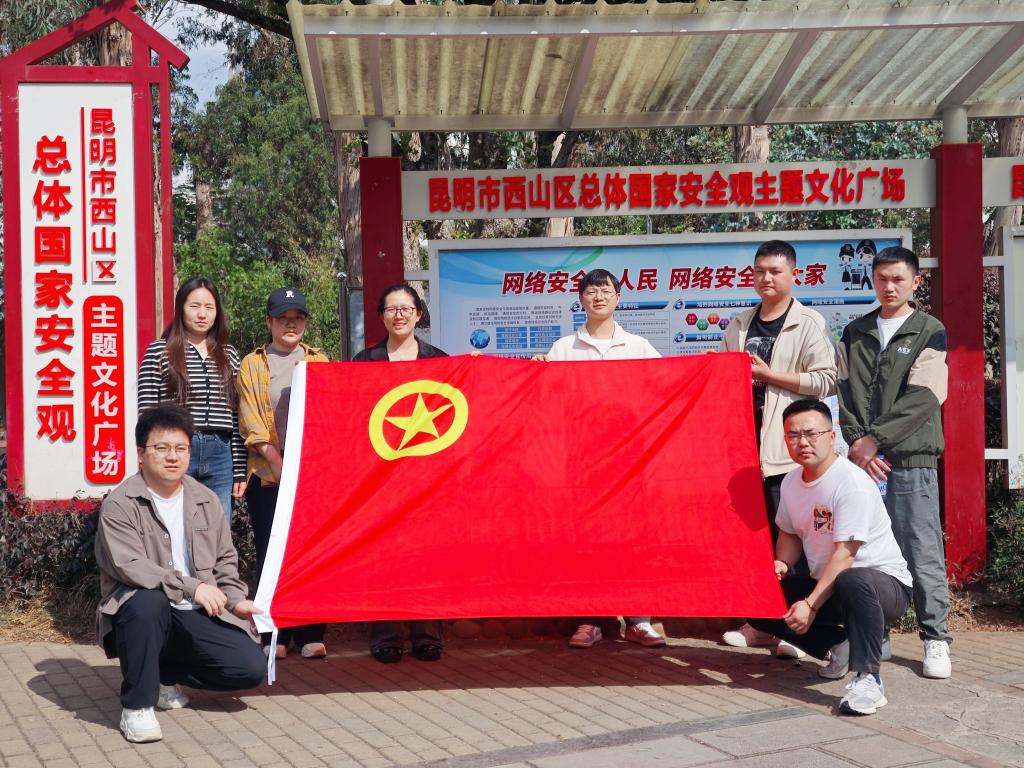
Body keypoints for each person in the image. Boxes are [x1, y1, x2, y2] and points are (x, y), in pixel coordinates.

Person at [95, 405, 265, 744]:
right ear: (141, 454)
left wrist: (235, 601)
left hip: (192, 612)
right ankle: (137, 706)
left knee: (249, 668)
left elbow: (224, 560)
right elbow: (131, 566)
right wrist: (192, 587)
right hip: (139, 614)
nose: (172, 456)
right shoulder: (121, 504)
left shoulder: (205, 500)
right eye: (161, 448)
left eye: (181, 448)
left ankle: (162, 674)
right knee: (148, 602)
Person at [746, 399, 912, 716]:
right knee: (757, 596)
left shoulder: (851, 484)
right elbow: (789, 534)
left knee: (853, 578)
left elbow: (845, 557)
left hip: (883, 587)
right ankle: (837, 646)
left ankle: (869, 679)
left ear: (832, 437)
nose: (803, 442)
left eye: (811, 433)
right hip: (830, 584)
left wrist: (810, 605)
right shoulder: (791, 481)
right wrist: (782, 563)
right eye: (793, 435)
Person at [535, 268, 666, 649]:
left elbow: (668, 384)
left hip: (631, 460)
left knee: (633, 538)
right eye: (591, 291)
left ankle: (638, 620)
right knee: (586, 538)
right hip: (582, 460)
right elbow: (547, 401)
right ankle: (590, 618)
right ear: (581, 300)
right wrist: (537, 372)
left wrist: (711, 369)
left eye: (605, 290)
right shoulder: (564, 349)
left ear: (618, 298)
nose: (598, 297)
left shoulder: (638, 346)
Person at [719, 240, 838, 658]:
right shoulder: (739, 324)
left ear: (794, 275)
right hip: (743, 453)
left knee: (795, 544)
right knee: (758, 545)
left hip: (787, 453)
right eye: (760, 271)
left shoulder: (808, 323)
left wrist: (772, 377)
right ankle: (762, 624)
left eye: (775, 271)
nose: (766, 278)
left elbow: (826, 380)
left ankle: (797, 628)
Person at [837, 246, 951, 679]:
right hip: (863, 464)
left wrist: (875, 440)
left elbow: (925, 397)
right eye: (882, 278)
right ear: (872, 280)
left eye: (898, 279)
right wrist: (857, 442)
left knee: (921, 550)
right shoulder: (855, 331)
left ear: (915, 282)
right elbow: (844, 393)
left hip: (910, 460)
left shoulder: (929, 330)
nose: (889, 286)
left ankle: (935, 638)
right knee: (866, 552)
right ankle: (876, 635)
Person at [352, 283, 447, 663]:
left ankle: (428, 635)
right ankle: (386, 636)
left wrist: (475, 368)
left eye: (406, 308)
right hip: (381, 478)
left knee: (428, 556)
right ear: (381, 316)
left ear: (418, 314)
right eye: (391, 309)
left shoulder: (440, 361)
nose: (399, 315)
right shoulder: (365, 361)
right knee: (383, 556)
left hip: (427, 478)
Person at [238, 287, 330, 660]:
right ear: (269, 322)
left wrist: (306, 467)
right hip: (269, 472)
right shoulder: (252, 364)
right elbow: (251, 420)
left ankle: (310, 632)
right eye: (283, 318)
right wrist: (279, 463)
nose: (291, 325)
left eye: (297, 318)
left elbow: (329, 416)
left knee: (311, 551)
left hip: (312, 473)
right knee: (271, 551)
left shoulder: (320, 360)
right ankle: (273, 633)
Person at [138, 277, 246, 522]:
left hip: (220, 453)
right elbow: (146, 411)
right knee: (172, 524)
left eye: (209, 307)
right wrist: (147, 456)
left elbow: (238, 415)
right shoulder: (159, 351)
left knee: (216, 526)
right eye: (194, 306)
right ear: (181, 308)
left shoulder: (228, 354)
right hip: (174, 450)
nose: (202, 314)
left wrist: (239, 469)